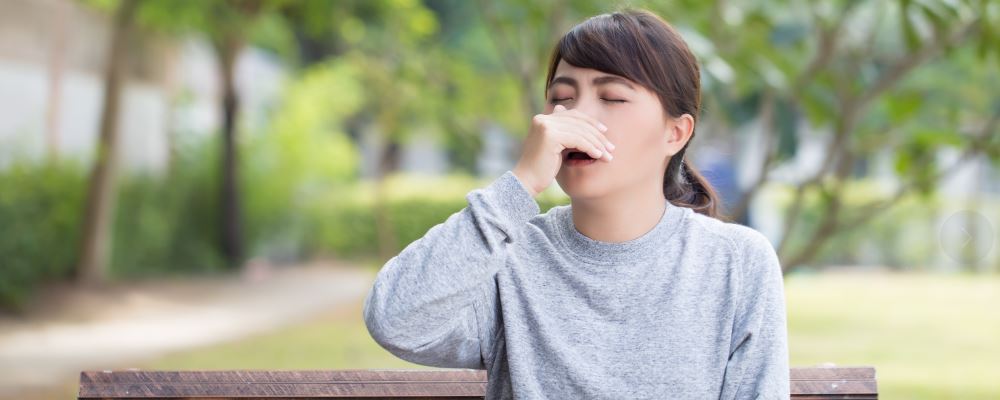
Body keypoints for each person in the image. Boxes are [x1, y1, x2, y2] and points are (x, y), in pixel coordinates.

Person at [363, 8, 789, 400]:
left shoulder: (737, 263)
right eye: (561, 98)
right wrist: (521, 183)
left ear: (675, 134)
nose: (573, 117)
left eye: (613, 97)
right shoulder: (508, 259)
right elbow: (395, 321)